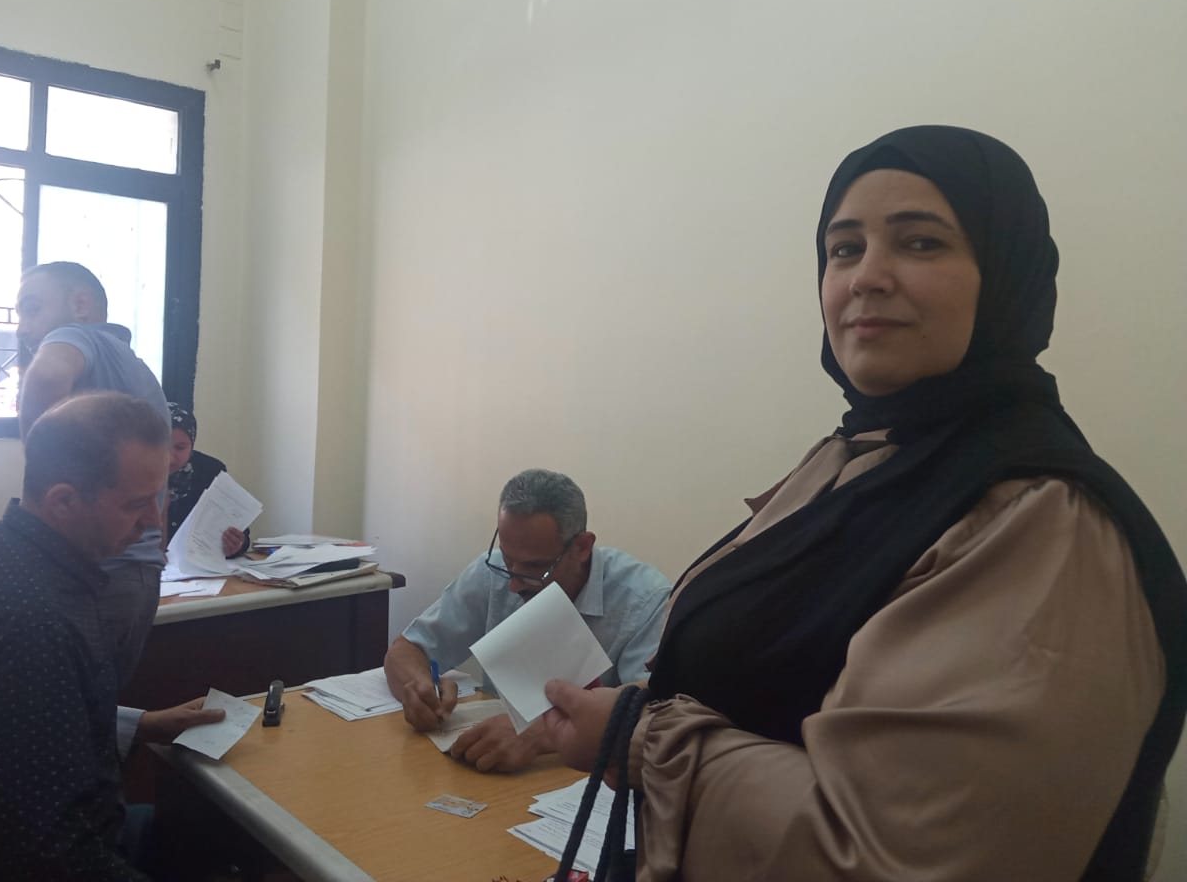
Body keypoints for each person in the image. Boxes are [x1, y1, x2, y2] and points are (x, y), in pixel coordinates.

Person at [544, 126, 1186, 881]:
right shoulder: (862, 457)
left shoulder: (1040, 520)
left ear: (1005, 271)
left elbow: (902, 855)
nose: (866, 278)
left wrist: (642, 742)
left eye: (921, 243)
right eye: (844, 249)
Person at [0, 392, 225, 880]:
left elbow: (8, 717)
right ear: (63, 501)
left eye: (158, 497)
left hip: (23, 837)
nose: (151, 520)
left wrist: (141, 725)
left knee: (205, 829)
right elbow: (52, 857)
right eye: (136, 504)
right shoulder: (32, 621)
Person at [384, 468, 670, 773]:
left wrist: (542, 734)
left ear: (582, 547)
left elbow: (660, 714)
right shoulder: (493, 571)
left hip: (582, 781)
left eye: (535, 568)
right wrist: (418, 688)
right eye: (508, 559)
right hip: (491, 768)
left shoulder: (645, 601)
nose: (513, 584)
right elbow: (406, 649)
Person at [16, 261, 170, 687]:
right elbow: (159, 487)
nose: (23, 328)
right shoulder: (138, 373)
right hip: (139, 570)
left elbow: (46, 375)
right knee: (96, 705)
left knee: (64, 705)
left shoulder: (74, 336)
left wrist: (40, 475)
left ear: (80, 305)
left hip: (96, 568)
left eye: (32, 308)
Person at [167, 403, 249, 557]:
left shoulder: (210, 471)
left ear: (192, 445)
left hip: (199, 567)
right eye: (162, 445)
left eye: (180, 448)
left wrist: (237, 544)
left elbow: (239, 529)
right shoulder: (131, 474)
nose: (170, 457)